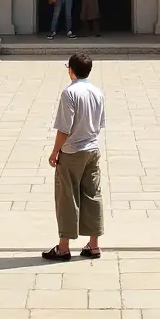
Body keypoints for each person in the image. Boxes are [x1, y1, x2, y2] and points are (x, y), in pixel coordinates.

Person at [42, 51, 105, 261]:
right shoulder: (97, 92)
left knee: (67, 197)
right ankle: (94, 245)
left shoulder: (69, 93)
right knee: (92, 195)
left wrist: (55, 151)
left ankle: (63, 247)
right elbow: (100, 124)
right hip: (92, 149)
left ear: (71, 70)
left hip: (72, 151)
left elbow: (64, 128)